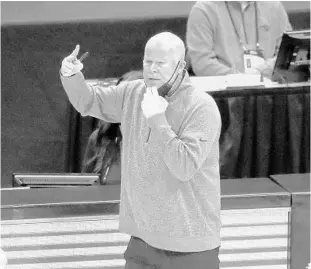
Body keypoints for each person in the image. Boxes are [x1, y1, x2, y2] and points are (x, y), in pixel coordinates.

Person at [60, 32, 222, 269]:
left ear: (180, 67)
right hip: (142, 240)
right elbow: (89, 102)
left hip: (190, 244)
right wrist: (72, 75)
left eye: (160, 64)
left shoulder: (202, 107)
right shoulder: (132, 93)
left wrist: (158, 121)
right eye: (148, 62)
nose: (152, 69)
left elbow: (184, 166)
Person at [186, 1, 292, 77]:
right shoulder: (203, 10)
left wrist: (261, 72)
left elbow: (287, 53)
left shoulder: (274, 6)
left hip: (270, 91)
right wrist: (239, 79)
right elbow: (202, 64)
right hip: (224, 95)